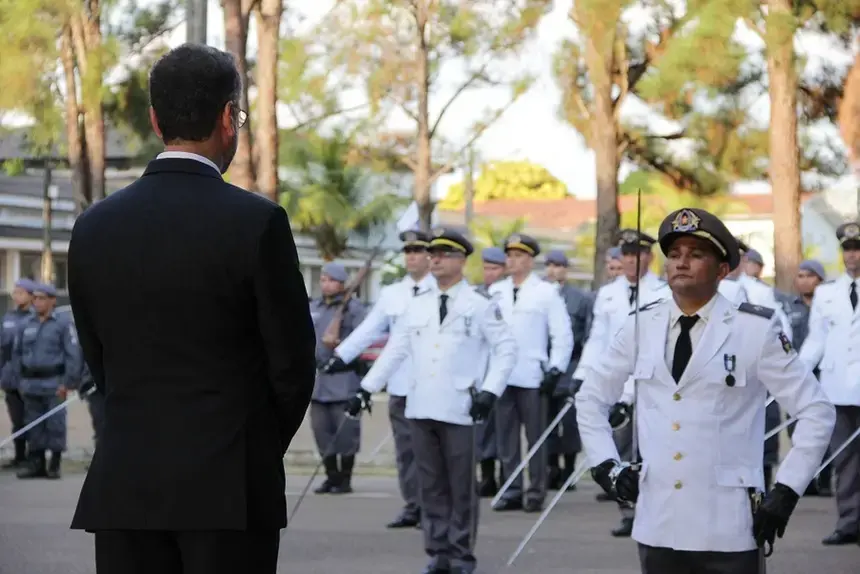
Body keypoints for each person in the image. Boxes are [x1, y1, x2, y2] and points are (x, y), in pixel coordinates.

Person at [67, 44, 317, 574]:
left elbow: (99, 356)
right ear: (228, 117)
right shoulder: (257, 222)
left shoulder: (94, 226)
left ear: (155, 120)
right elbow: (292, 365)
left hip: (126, 481)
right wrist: (254, 441)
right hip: (229, 487)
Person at [577, 207, 836, 574]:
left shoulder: (754, 330)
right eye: (675, 255)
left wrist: (787, 490)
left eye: (696, 254)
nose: (681, 262)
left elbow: (816, 410)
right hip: (658, 521)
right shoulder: (641, 326)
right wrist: (606, 464)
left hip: (727, 526)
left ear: (722, 270)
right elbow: (591, 398)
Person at [347, 227, 517, 574]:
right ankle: (437, 552)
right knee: (431, 485)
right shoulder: (417, 304)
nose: (434, 259)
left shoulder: (479, 305)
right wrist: (367, 387)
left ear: (462, 260)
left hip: (460, 407)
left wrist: (490, 391)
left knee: (461, 487)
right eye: (432, 254)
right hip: (421, 404)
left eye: (443, 254)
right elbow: (396, 350)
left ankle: (461, 554)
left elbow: (507, 349)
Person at [325, 230, 434, 526]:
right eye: (408, 251)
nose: (411, 256)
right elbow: (369, 330)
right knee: (406, 451)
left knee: (431, 452)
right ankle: (413, 505)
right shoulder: (393, 293)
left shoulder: (440, 292)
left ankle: (433, 507)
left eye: (418, 250)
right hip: (400, 382)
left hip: (433, 386)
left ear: (430, 256)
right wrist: (341, 357)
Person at [574, 229, 670, 536]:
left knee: (653, 448)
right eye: (626, 255)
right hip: (615, 379)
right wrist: (582, 376)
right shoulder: (608, 293)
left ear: (650, 257)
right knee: (621, 446)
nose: (631, 261)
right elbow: (597, 338)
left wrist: (627, 397)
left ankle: (656, 510)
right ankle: (628, 510)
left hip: (653, 381)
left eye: (638, 254)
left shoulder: (664, 292)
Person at [490, 234, 573, 513]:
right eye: (509, 255)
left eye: (518, 256)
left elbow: (562, 334)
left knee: (537, 437)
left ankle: (535, 491)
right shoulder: (496, 291)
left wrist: (556, 368)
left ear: (529, 260)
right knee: (506, 438)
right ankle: (512, 489)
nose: (512, 260)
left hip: (532, 375)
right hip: (501, 376)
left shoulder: (545, 292)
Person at [800, 222, 860, 546]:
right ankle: (849, 522)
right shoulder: (826, 292)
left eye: (857, 248)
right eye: (848, 249)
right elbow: (816, 340)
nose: (852, 255)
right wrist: (797, 372)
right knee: (845, 460)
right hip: (839, 388)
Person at [11, 283, 82, 479]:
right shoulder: (27, 323)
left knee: (55, 423)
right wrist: (19, 380)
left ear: (52, 300)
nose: (37, 302)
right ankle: (37, 463)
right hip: (30, 382)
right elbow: (17, 354)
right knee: (33, 424)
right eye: (35, 298)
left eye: (42, 298)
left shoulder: (62, 323)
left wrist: (69, 382)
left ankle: (55, 464)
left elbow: (73, 353)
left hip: (54, 382)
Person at [309, 262, 367, 495]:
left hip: (344, 381)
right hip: (319, 382)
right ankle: (330, 477)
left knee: (346, 434)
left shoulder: (354, 309)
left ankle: (345, 478)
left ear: (342, 283)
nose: (326, 284)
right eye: (323, 280)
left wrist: (341, 344)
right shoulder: (315, 307)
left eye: (331, 280)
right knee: (322, 433)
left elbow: (363, 342)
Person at [777, 260, 831, 496]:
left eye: (810, 276)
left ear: (820, 279)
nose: (804, 280)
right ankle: (804, 480)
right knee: (795, 425)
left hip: (826, 373)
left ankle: (826, 479)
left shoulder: (829, 303)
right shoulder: (788, 307)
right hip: (796, 373)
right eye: (800, 276)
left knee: (823, 423)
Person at [543, 249, 593, 490]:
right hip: (546, 364)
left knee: (571, 421)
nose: (554, 270)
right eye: (550, 265)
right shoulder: (539, 294)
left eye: (559, 265)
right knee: (547, 418)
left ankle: (569, 469)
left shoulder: (579, 297)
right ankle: (552, 467)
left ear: (566, 269)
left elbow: (586, 332)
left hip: (572, 364)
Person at [468, 246, 507, 496]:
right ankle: (487, 476)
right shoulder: (476, 296)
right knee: (483, 430)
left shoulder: (508, 295)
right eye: (487, 268)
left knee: (504, 431)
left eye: (495, 268)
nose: (489, 273)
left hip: (506, 374)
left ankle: (505, 477)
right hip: (482, 373)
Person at [0, 278, 36, 469]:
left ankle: (34, 457)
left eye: (21, 292)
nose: (16, 295)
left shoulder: (36, 318)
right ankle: (19, 457)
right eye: (15, 292)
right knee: (17, 420)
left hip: (30, 379)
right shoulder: (8, 318)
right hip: (10, 379)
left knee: (32, 419)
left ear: (31, 296)